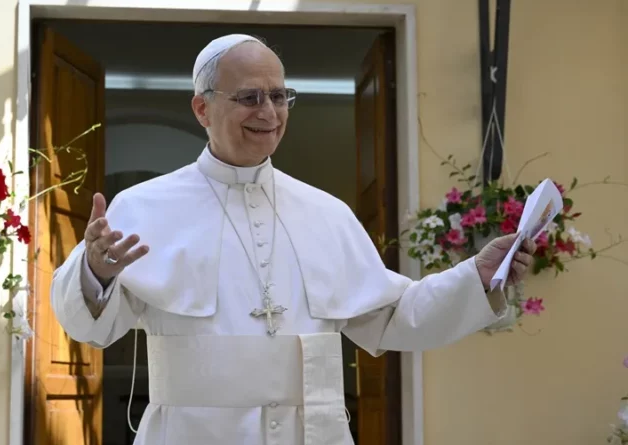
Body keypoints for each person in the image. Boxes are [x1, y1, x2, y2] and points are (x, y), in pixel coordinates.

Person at [50, 34, 536, 445]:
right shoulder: (142, 207)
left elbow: (394, 317)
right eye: (249, 97)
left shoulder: (326, 213)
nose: (269, 111)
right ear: (202, 108)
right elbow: (90, 330)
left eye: (280, 96)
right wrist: (95, 273)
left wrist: (475, 276)